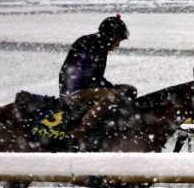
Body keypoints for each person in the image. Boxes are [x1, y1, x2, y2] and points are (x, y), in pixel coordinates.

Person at [58, 14, 137, 150]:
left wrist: (112, 87)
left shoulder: (96, 43)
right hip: (73, 93)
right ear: (112, 34)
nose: (118, 45)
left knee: (130, 90)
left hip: (83, 87)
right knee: (112, 95)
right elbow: (93, 78)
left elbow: (95, 78)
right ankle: (80, 131)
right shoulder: (96, 45)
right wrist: (112, 89)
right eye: (119, 39)